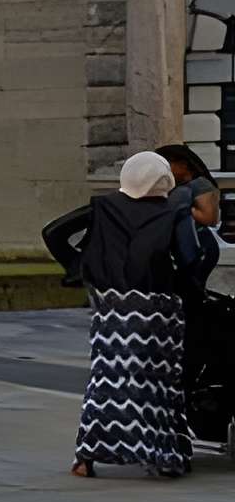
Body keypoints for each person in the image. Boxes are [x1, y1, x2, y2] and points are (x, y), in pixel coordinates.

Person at [47, 150, 207, 479]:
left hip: (110, 306)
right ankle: (162, 454)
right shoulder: (173, 211)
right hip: (156, 306)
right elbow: (191, 257)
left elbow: (54, 233)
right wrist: (187, 284)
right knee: (158, 380)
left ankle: (87, 456)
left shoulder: (103, 207)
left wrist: (79, 267)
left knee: (107, 375)